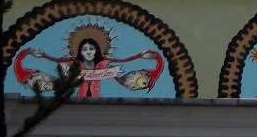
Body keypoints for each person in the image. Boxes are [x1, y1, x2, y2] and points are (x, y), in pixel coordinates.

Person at [16, 36, 163, 97]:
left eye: (91, 49)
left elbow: (124, 61)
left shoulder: (105, 63)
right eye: (85, 49)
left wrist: (141, 56)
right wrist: (33, 53)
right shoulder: (74, 62)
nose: (88, 52)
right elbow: (53, 59)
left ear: (97, 50)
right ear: (80, 51)